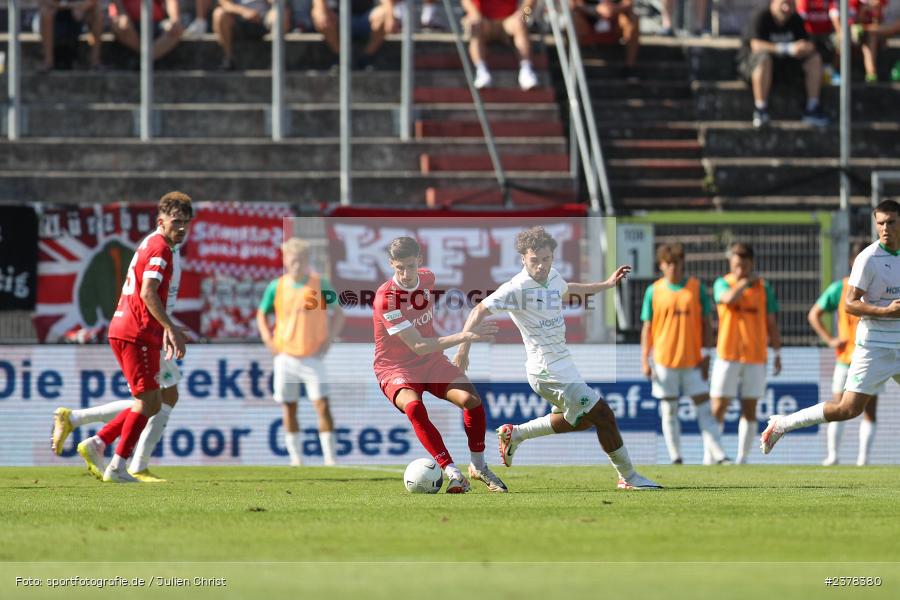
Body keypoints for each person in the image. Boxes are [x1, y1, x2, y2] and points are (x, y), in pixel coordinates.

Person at [456, 226, 662, 490]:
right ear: (523, 259)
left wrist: (607, 285)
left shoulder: (552, 276)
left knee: (583, 420)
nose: (541, 266)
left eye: (546, 259)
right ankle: (629, 478)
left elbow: (568, 289)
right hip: (545, 370)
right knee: (603, 413)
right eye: (534, 260)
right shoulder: (515, 288)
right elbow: (478, 310)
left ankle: (516, 433)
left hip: (565, 365)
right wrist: (463, 350)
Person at [762, 200, 900, 456]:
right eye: (880, 223)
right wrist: (886, 311)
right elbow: (849, 304)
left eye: (891, 222)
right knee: (848, 408)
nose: (885, 228)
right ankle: (784, 423)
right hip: (876, 345)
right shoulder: (868, 259)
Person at [372, 236, 507, 493]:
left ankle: (478, 466)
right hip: (395, 366)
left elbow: (425, 347)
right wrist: (465, 336)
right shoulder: (386, 300)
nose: (406, 273)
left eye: (410, 266)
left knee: (472, 401)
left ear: (419, 262)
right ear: (391, 264)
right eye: (399, 267)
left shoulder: (428, 278)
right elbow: (419, 344)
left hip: (431, 361)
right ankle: (452, 471)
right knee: (413, 407)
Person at [74, 192, 192, 483]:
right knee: (148, 402)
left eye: (185, 223)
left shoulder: (156, 244)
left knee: (153, 401)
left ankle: (102, 447)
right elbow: (147, 292)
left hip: (138, 331)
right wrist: (170, 328)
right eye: (176, 221)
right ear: (160, 221)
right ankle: (116, 464)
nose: (181, 228)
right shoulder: (160, 248)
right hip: (136, 332)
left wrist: (167, 326)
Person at [256, 238, 345, 466]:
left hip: (313, 356)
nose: (296, 264)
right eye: (293, 260)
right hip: (285, 356)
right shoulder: (277, 286)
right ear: (286, 261)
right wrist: (268, 339)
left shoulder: (319, 283)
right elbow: (261, 314)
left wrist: (329, 340)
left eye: (301, 260)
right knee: (289, 406)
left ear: (307, 261)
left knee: (322, 405)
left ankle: (330, 459)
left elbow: (339, 312)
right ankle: (296, 459)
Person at [640, 243, 729, 465]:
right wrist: (645, 359)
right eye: (669, 263)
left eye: (677, 263)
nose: (674, 268)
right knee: (669, 410)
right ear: (661, 265)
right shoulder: (654, 291)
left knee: (704, 409)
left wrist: (706, 353)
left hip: (692, 362)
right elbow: (648, 328)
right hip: (664, 361)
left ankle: (718, 455)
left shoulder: (696, 288)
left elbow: (707, 323)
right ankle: (675, 456)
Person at [808, 242, 882, 466]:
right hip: (845, 359)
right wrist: (830, 339)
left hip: (871, 356)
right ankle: (833, 455)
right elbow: (814, 314)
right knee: (840, 405)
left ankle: (863, 459)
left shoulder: (879, 285)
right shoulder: (840, 288)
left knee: (869, 408)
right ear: (854, 261)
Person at [710, 242, 783, 464]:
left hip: (755, 355)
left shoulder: (764, 288)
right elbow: (728, 299)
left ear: (751, 263)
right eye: (735, 265)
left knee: (750, 407)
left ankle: (742, 458)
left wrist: (778, 351)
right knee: (718, 407)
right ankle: (712, 455)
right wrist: (744, 283)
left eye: (743, 265)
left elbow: (771, 322)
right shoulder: (722, 283)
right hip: (727, 354)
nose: (739, 270)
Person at [737, 0, 829, 128]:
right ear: (773, 3)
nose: (786, 8)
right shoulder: (761, 16)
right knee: (764, 59)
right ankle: (761, 109)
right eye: (783, 3)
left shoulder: (795, 19)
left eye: (791, 4)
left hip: (786, 68)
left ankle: (812, 108)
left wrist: (805, 48)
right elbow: (756, 45)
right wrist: (787, 48)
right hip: (755, 68)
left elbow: (808, 43)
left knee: (814, 59)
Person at [462, 0, 539, 90]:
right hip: (484, 20)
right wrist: (474, 13)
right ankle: (481, 70)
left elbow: (531, 1)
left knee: (521, 23)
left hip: (509, 21)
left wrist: (524, 16)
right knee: (474, 24)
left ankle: (527, 69)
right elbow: (466, 1)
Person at [311, 0, 396, 70]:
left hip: (367, 16)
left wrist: (390, 16)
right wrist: (320, 11)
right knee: (318, 14)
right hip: (338, 16)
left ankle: (367, 57)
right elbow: (318, 5)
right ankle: (341, 57)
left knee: (384, 14)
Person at [570, 0, 640, 81]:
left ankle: (630, 68)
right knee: (573, 19)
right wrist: (595, 10)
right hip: (587, 21)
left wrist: (613, 9)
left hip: (614, 21)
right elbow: (574, 4)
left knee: (633, 18)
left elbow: (628, 3)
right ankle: (573, 68)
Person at [213, 0, 291, 71]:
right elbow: (225, 4)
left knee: (282, 13)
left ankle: (278, 60)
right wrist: (244, 11)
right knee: (219, 14)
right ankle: (228, 59)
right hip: (238, 18)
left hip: (263, 17)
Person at [109, 0, 184, 63]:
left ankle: (142, 60)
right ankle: (145, 60)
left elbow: (171, 2)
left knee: (177, 29)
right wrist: (122, 14)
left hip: (157, 22)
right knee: (120, 26)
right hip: (130, 22)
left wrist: (175, 19)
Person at [38, 0, 104, 72]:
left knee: (98, 13)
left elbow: (93, 1)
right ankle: (48, 61)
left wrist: (82, 7)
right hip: (58, 11)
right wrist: (71, 6)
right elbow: (45, 1)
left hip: (80, 12)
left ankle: (95, 61)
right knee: (45, 11)